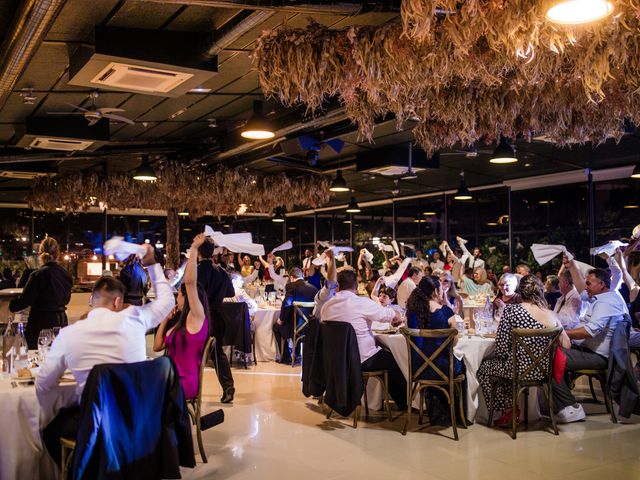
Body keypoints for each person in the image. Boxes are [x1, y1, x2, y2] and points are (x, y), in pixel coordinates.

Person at [37, 244, 173, 466]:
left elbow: (43, 384)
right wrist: (151, 263)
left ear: (92, 301)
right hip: (139, 419)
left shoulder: (68, 334)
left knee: (50, 429)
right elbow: (167, 302)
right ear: (118, 301)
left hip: (94, 423)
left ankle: (81, 469)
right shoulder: (135, 318)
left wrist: (74, 394)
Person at [477, 275, 570, 427]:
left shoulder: (511, 311)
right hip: (543, 371)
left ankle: (509, 409)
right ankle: (514, 409)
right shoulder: (550, 314)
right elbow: (566, 344)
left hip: (516, 370)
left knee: (485, 368)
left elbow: (501, 349)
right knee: (503, 365)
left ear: (521, 291)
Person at [551, 260, 629, 423]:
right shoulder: (602, 298)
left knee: (548, 358)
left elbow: (589, 331)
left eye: (589, 283)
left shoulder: (606, 303)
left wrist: (562, 333)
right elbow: (581, 288)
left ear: (601, 285)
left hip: (598, 357)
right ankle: (556, 403)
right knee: (550, 353)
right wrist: (572, 266)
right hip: (588, 351)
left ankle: (569, 406)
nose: (585, 287)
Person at [320, 269, 407, 411]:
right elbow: (389, 315)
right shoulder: (361, 303)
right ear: (356, 286)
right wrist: (398, 315)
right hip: (362, 359)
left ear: (338, 286)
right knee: (393, 361)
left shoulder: (326, 306)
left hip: (335, 361)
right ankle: (405, 404)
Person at [154, 234, 209, 400]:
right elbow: (157, 346)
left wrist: (194, 249)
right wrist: (164, 320)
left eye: (178, 295)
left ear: (187, 298)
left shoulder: (197, 317)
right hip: (169, 378)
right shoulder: (180, 321)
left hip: (183, 382)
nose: (176, 298)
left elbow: (190, 283)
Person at [406, 276, 465, 425]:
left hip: (419, 368)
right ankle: (458, 415)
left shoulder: (412, 312)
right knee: (464, 364)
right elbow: (454, 341)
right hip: (444, 369)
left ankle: (435, 411)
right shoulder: (446, 312)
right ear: (435, 292)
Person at [10, 237, 73, 349]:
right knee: (58, 355)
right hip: (61, 321)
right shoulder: (66, 275)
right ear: (58, 254)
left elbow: (25, 301)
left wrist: (11, 305)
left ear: (40, 254)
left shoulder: (37, 275)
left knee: (36, 356)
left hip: (40, 322)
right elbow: (66, 300)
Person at [197, 238, 237, 403]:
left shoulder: (196, 270)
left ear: (198, 252)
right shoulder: (220, 271)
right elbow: (231, 292)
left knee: (195, 355)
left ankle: (189, 390)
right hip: (217, 316)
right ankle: (228, 388)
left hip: (200, 318)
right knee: (218, 354)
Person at [273, 267, 318, 363]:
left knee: (277, 327)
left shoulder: (291, 286)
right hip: (311, 326)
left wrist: (281, 319)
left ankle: (286, 357)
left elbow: (286, 304)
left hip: (296, 326)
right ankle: (297, 354)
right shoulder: (313, 288)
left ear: (292, 277)